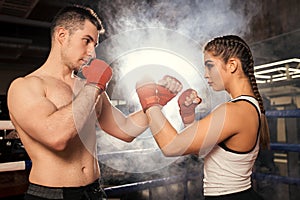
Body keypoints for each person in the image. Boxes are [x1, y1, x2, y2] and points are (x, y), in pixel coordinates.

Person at [7, 5, 181, 200]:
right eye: (86, 41)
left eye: (95, 45)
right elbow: (56, 137)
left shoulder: (88, 87)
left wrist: (155, 102)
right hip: (52, 195)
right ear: (62, 35)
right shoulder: (25, 87)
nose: (93, 53)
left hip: (95, 192)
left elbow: (124, 130)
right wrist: (94, 86)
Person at [136, 35, 270, 199]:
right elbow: (202, 150)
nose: (206, 75)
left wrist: (149, 99)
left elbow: (171, 147)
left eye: (210, 66)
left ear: (232, 65)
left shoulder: (234, 110)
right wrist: (188, 117)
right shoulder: (247, 107)